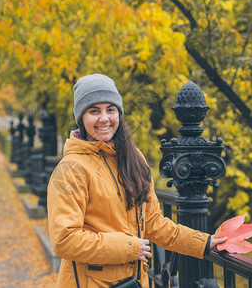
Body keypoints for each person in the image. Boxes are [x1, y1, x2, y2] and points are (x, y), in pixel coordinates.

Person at [47, 74, 227, 288]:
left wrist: (204, 242)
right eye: (94, 111)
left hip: (133, 281)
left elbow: (153, 223)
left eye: (110, 109)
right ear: (81, 118)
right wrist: (130, 246)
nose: (104, 118)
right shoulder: (71, 169)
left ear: (119, 113)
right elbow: (64, 240)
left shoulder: (133, 158)